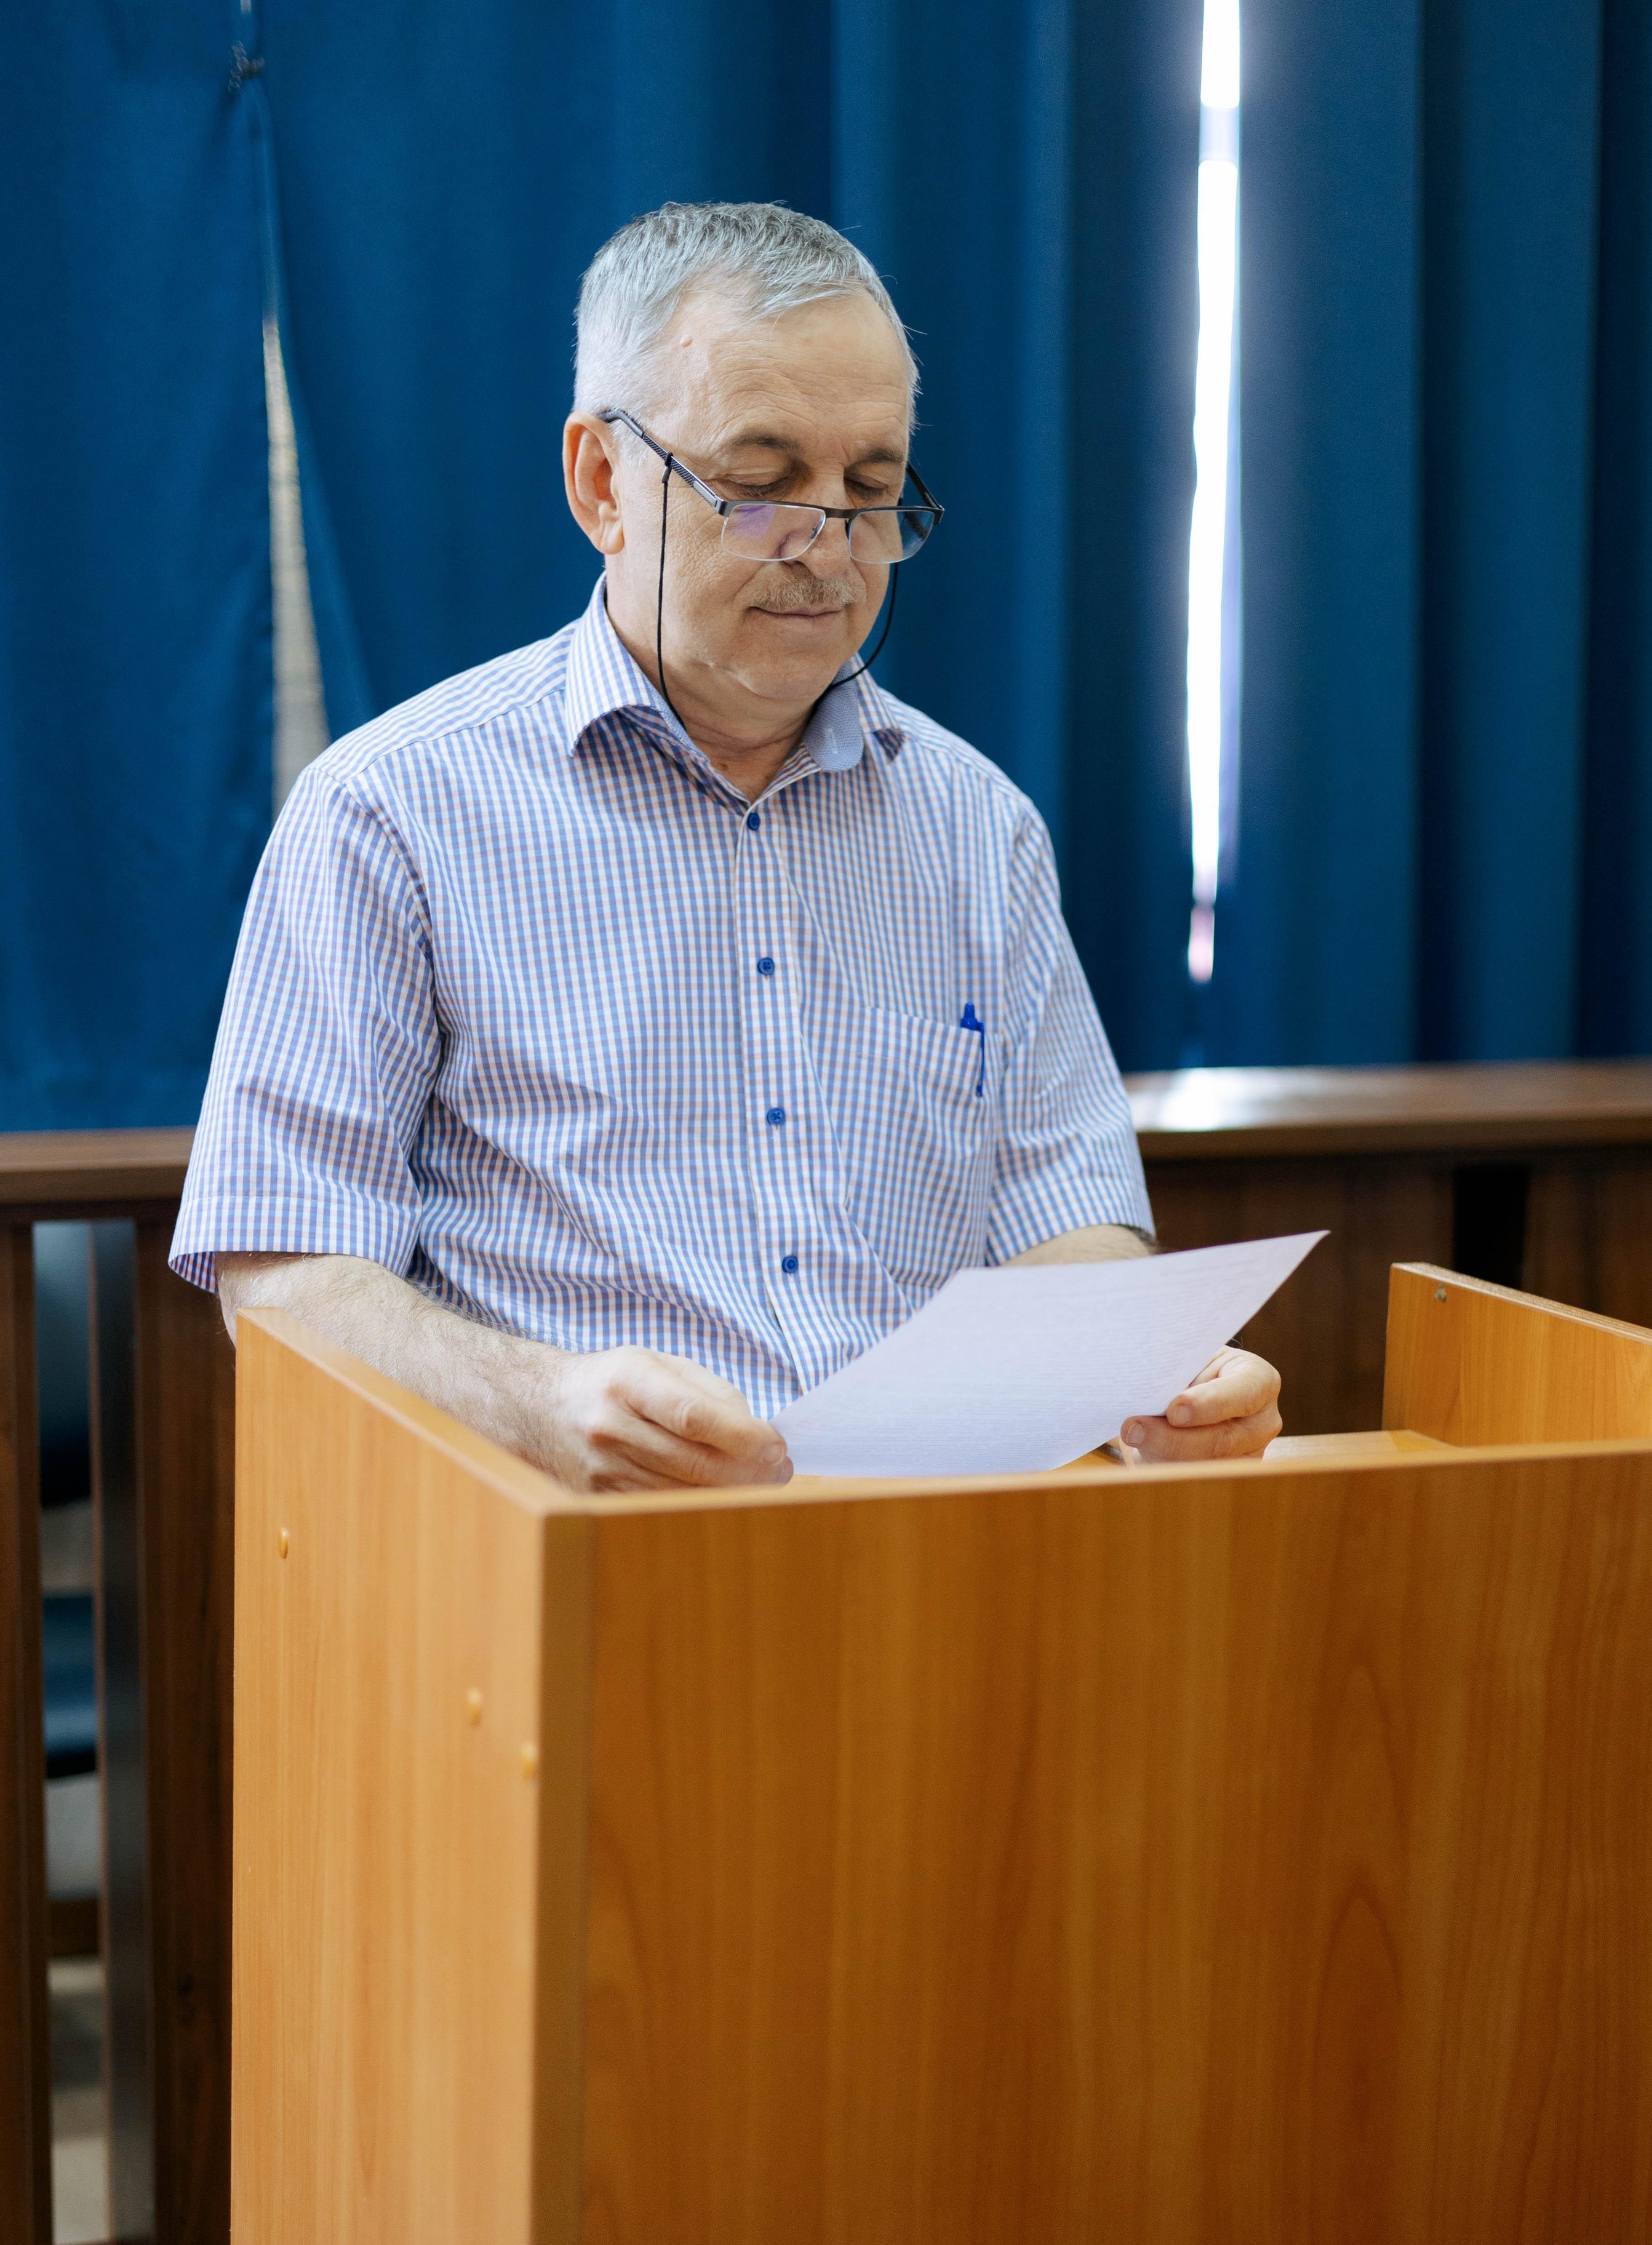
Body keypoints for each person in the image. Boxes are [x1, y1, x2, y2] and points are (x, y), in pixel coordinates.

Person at [172, 201, 1282, 1493]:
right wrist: (538, 1401)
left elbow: (1068, 1223)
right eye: (760, 487)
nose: (829, 548)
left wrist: (1146, 1377)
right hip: (564, 1546)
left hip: (923, 1544)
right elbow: (284, 1275)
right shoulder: (389, 811)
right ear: (602, 483)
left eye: (871, 491)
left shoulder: (980, 831)